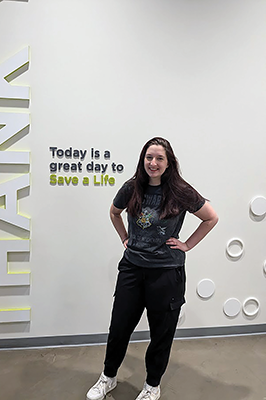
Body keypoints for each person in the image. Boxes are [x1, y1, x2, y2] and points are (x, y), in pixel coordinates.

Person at [86, 137, 218, 400]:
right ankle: (108, 377)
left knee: (161, 333)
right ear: (142, 159)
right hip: (132, 269)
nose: (153, 163)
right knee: (119, 327)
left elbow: (211, 217)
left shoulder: (181, 191)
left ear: (169, 163)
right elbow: (114, 212)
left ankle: (152, 386)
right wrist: (125, 238)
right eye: (149, 157)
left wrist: (187, 245)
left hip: (167, 272)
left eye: (159, 158)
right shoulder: (132, 187)